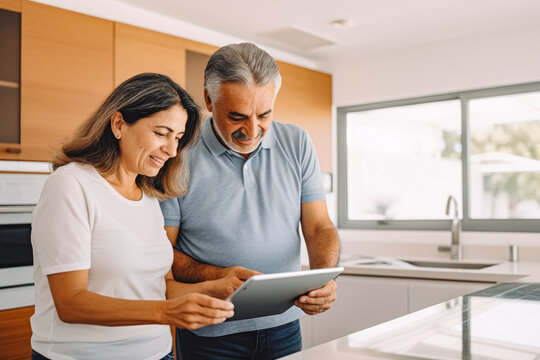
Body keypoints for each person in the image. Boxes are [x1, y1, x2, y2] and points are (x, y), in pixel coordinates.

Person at [30, 73, 242, 360]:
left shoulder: (149, 197)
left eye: (177, 138)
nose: (171, 150)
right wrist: (166, 313)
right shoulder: (71, 185)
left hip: (157, 353)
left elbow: (161, 287)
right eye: (161, 133)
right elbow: (71, 303)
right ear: (118, 124)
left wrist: (217, 287)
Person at [160, 43, 340, 359]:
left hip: (284, 327)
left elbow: (318, 227)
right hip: (210, 330)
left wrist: (322, 277)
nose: (252, 130)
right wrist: (220, 275)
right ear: (208, 100)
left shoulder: (297, 142)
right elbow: (161, 254)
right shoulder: (178, 153)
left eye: (264, 114)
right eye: (237, 116)